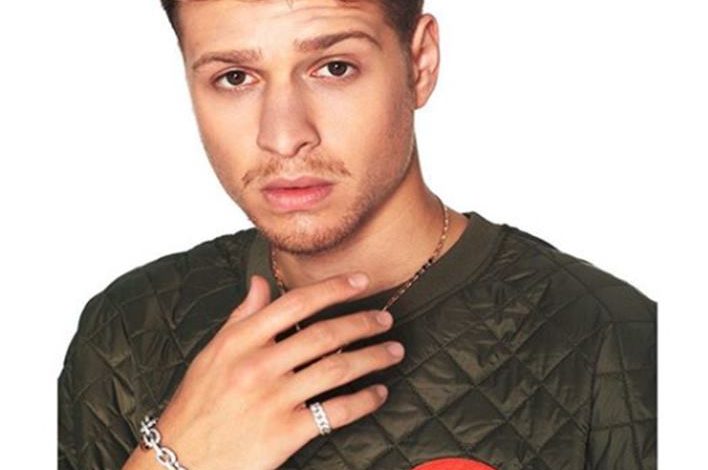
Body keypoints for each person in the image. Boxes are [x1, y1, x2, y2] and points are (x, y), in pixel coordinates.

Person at [57, 1, 657, 469]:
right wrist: (177, 459)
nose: (283, 136)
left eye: (334, 68)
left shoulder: (612, 338)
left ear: (420, 63)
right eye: (235, 77)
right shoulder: (128, 330)